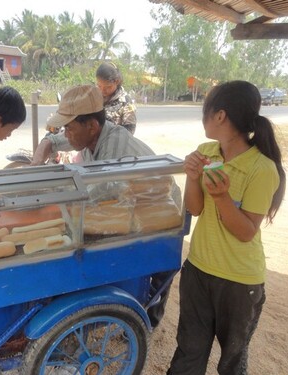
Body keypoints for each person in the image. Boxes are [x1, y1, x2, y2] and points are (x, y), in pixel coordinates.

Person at [167, 80, 286, 375]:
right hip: (198, 270)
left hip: (238, 282)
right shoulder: (208, 151)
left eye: (205, 111)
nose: (203, 117)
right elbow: (195, 209)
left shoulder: (261, 168)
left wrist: (221, 198)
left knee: (231, 362)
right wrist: (193, 177)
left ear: (219, 115)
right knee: (188, 353)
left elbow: (246, 232)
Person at [44, 84, 174, 328]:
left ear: (92, 125)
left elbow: (102, 190)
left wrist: (59, 198)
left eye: (69, 127)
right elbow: (62, 140)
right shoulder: (88, 135)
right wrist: (45, 147)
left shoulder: (114, 144)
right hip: (130, 205)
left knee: (157, 274)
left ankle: (147, 323)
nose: (67, 134)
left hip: (159, 207)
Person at [31, 62, 136, 165]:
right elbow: (52, 141)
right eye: (99, 86)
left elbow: (129, 130)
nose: (103, 91)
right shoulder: (94, 96)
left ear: (116, 82)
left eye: (107, 87)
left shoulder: (112, 152)